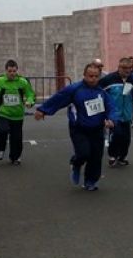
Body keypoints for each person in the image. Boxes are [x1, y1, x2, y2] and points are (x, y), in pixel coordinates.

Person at [34, 63, 118, 191]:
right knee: (84, 153)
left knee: (96, 156)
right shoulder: (74, 89)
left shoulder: (102, 92)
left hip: (97, 129)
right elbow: (58, 99)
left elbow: (111, 107)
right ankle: (76, 163)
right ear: (84, 75)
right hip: (79, 129)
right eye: (90, 76)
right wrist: (43, 110)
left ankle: (90, 181)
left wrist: (112, 119)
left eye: (96, 76)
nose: (93, 79)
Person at [0, 59, 36, 165]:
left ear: (17, 70)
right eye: (10, 71)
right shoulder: (0, 81)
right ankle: (0, 149)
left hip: (18, 115)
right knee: (3, 130)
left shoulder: (22, 82)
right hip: (3, 112)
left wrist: (29, 101)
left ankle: (15, 157)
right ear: (6, 71)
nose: (12, 73)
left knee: (16, 137)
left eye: (14, 71)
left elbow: (30, 94)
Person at [99, 58, 133, 166]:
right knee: (116, 135)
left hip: (127, 114)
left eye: (129, 68)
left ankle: (122, 157)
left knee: (126, 138)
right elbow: (99, 92)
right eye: (124, 68)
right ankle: (113, 156)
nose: (127, 71)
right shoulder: (109, 79)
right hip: (113, 114)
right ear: (119, 67)